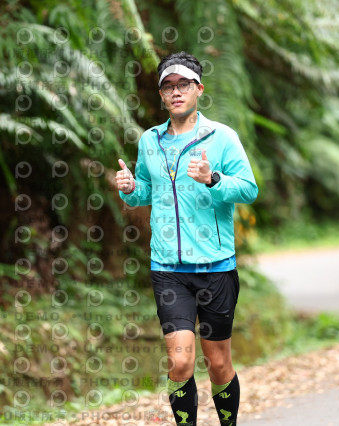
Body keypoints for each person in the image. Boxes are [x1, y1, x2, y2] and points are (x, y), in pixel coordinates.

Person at [116, 51, 258, 425]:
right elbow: (146, 191)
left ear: (199, 89)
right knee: (180, 362)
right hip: (169, 270)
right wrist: (130, 188)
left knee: (218, 362)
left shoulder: (222, 137)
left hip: (216, 267)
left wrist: (213, 179)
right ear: (162, 94)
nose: (176, 92)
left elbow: (248, 189)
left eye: (183, 84)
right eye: (168, 86)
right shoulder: (150, 141)